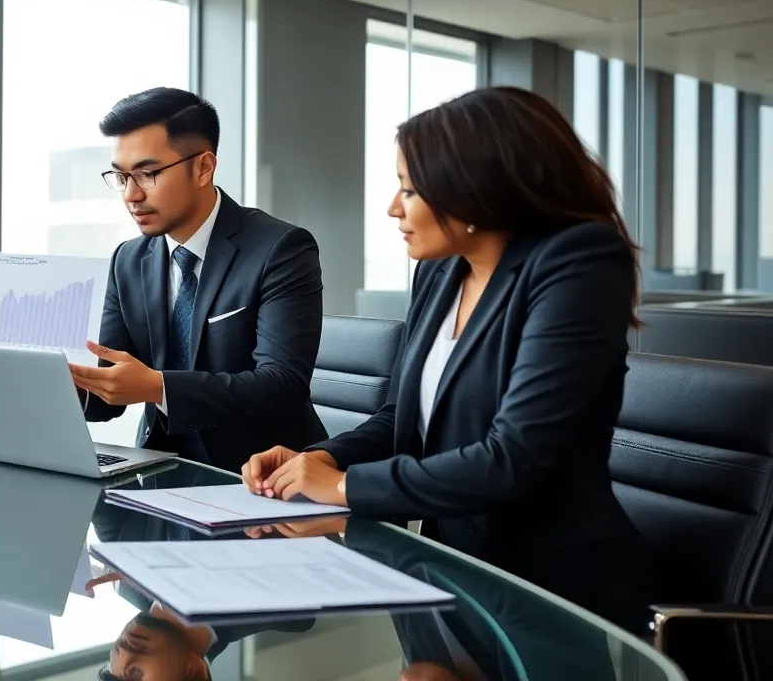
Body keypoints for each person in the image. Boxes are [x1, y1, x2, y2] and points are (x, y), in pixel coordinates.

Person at [241, 86, 650, 630]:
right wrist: (319, 460)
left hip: (550, 590)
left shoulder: (581, 265)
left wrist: (343, 490)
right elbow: (403, 418)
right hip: (449, 574)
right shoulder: (440, 270)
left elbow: (514, 458)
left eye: (409, 190)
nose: (392, 209)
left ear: (474, 190)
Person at [69, 87, 324, 473]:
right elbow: (109, 395)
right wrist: (65, 384)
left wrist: (159, 386)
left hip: (261, 477)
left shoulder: (281, 249)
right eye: (121, 177)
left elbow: (281, 385)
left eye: (147, 173)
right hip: (159, 471)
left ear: (204, 167)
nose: (131, 195)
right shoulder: (128, 258)